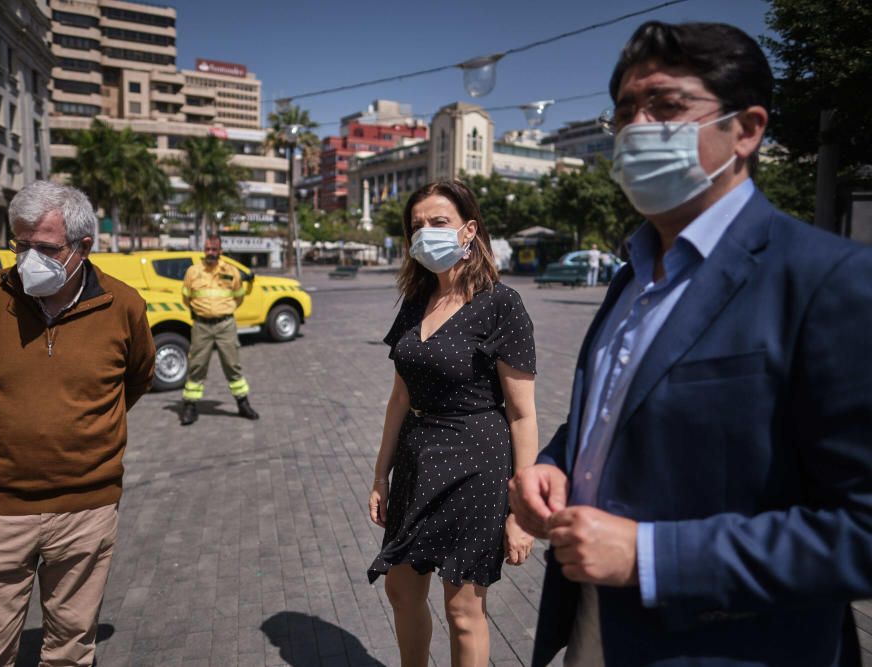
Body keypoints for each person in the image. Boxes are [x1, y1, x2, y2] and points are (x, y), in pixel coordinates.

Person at [509, 20, 872, 667]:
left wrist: (653, 556)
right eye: (625, 110)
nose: (637, 126)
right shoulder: (629, 276)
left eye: (667, 106)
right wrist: (557, 461)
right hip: (593, 636)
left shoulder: (827, 280)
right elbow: (621, 413)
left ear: (748, 128)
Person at [0, 181, 156, 666]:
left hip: (86, 511)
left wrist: (81, 426)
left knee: (69, 651)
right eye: (19, 245)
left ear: (83, 247)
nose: (27, 259)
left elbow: (136, 380)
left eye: (44, 248)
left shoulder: (123, 306)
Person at [367, 180, 538, 666]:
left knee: (463, 609)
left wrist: (520, 510)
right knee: (401, 590)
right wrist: (381, 474)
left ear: (469, 231)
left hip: (475, 463)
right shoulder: (414, 302)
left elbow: (523, 415)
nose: (425, 233)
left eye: (437, 223)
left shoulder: (502, 304)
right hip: (416, 460)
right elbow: (399, 395)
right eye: (416, 226)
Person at [179, 234, 259, 425]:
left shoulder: (231, 271)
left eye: (214, 249)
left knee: (232, 365)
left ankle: (243, 404)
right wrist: (203, 312)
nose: (211, 253)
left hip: (225, 325)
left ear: (220, 251)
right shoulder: (193, 272)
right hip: (201, 325)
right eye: (208, 249)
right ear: (204, 250)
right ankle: (190, 406)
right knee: (197, 366)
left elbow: (239, 297)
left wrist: (222, 311)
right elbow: (186, 298)